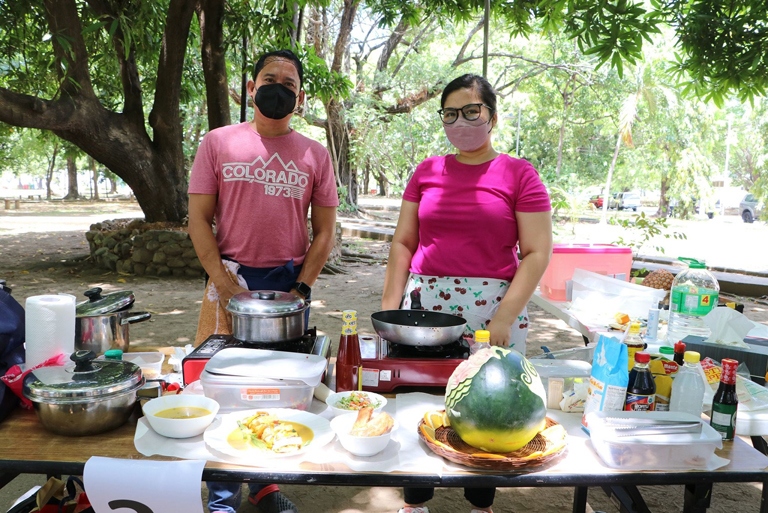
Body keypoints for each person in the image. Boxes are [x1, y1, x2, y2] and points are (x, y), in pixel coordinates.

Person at [381, 74, 553, 513]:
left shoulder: (519, 174)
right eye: (450, 113)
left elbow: (535, 253)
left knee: (488, 410)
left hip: (492, 311)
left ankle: (481, 504)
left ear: (491, 116)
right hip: (425, 311)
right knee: (419, 402)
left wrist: (503, 317)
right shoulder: (426, 171)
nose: (461, 121)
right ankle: (414, 502)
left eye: (471, 111)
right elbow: (403, 243)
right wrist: (389, 308)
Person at [188, 49, 338, 513]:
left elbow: (326, 229)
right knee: (223, 384)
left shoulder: (315, 153)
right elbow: (197, 218)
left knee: (280, 385)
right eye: (269, 79)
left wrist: (304, 288)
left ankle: (267, 484)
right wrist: (222, 280)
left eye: (289, 83)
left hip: (287, 284)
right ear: (251, 89)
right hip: (230, 275)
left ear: (300, 96)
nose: (279, 87)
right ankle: (222, 494)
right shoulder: (218, 142)